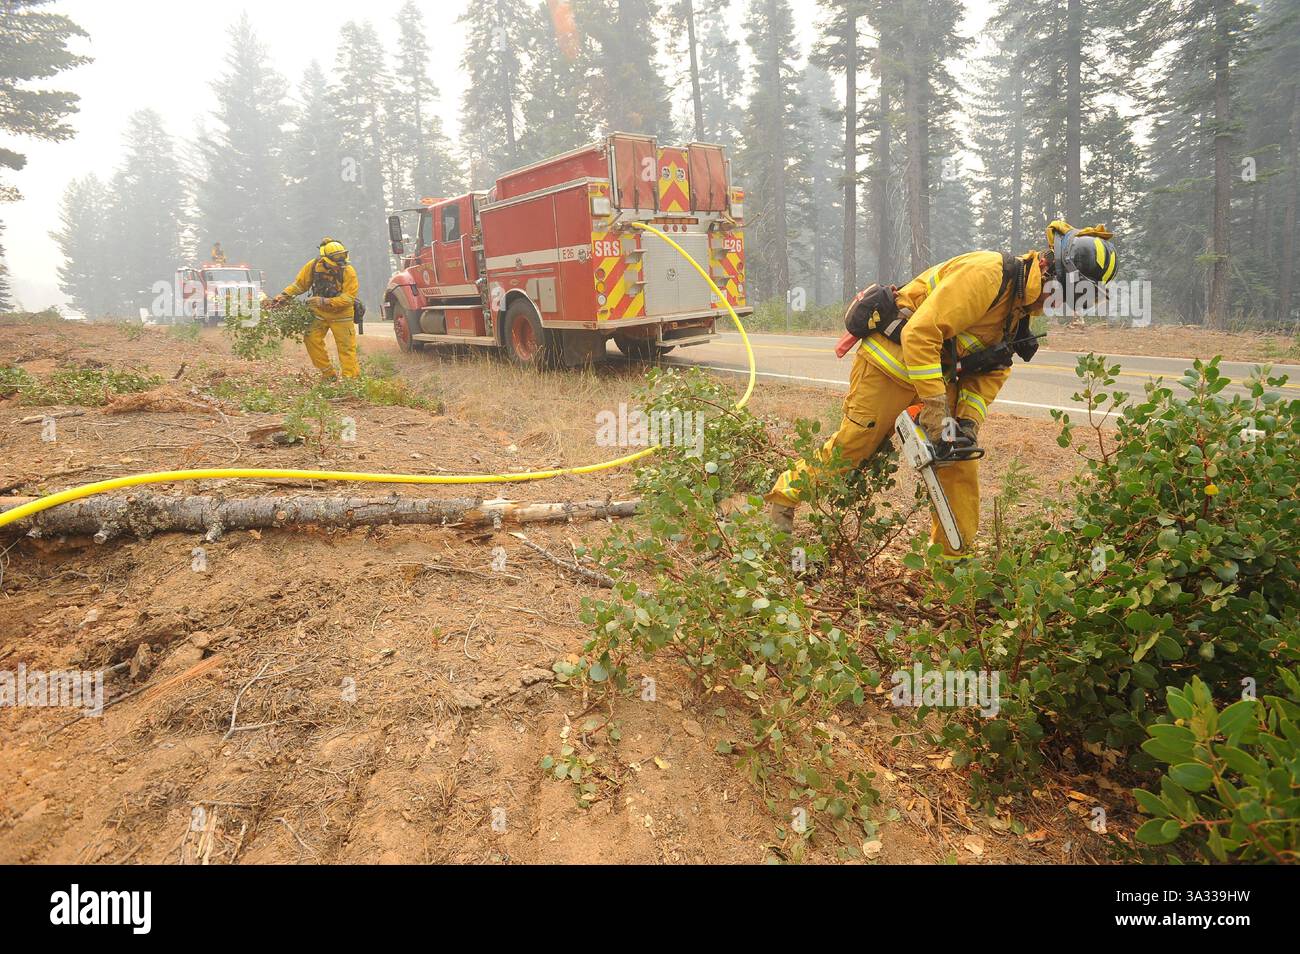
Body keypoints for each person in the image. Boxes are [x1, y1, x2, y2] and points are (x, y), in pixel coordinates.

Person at [765, 220, 1118, 559]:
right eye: (1065, 295)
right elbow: (920, 334)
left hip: (932, 377)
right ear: (1050, 270)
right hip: (889, 366)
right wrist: (935, 406)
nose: (1058, 306)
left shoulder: (1018, 312)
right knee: (854, 447)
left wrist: (966, 422)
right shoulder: (988, 275)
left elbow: (991, 372)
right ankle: (784, 497)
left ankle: (952, 563)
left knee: (958, 458)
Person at [274, 238, 361, 380]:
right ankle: (328, 374)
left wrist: (324, 301)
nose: (338, 267)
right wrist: (284, 295)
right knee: (311, 339)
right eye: (334, 264)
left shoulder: (348, 271)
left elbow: (348, 299)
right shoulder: (313, 266)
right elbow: (300, 285)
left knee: (346, 348)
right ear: (325, 259)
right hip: (319, 314)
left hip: (342, 315)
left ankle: (350, 381)